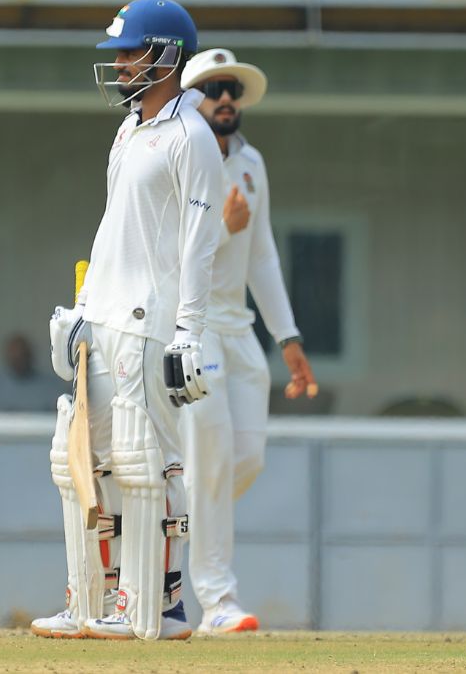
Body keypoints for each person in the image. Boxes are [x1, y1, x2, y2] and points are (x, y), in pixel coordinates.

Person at [30, 0, 222, 641]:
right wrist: (84, 307)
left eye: (129, 51)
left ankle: (159, 607)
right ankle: (93, 600)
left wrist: (190, 329)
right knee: (83, 459)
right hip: (107, 313)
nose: (117, 63)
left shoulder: (191, 136)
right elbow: (119, 227)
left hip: (151, 321)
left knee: (148, 460)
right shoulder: (129, 129)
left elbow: (200, 239)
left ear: (167, 55)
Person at [178, 48, 317, 636]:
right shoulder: (180, 154)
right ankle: (217, 599)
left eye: (232, 88)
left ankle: (170, 519)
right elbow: (165, 251)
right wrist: (218, 227)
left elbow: (261, 254)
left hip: (239, 330)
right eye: (213, 89)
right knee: (209, 457)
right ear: (193, 99)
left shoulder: (252, 162)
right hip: (191, 323)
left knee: (244, 459)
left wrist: (287, 337)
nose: (226, 98)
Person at [0, 334, 69, 412]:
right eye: (15, 357)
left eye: (22, 356)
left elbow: (66, 411)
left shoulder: (49, 386)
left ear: (30, 356)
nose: (19, 361)